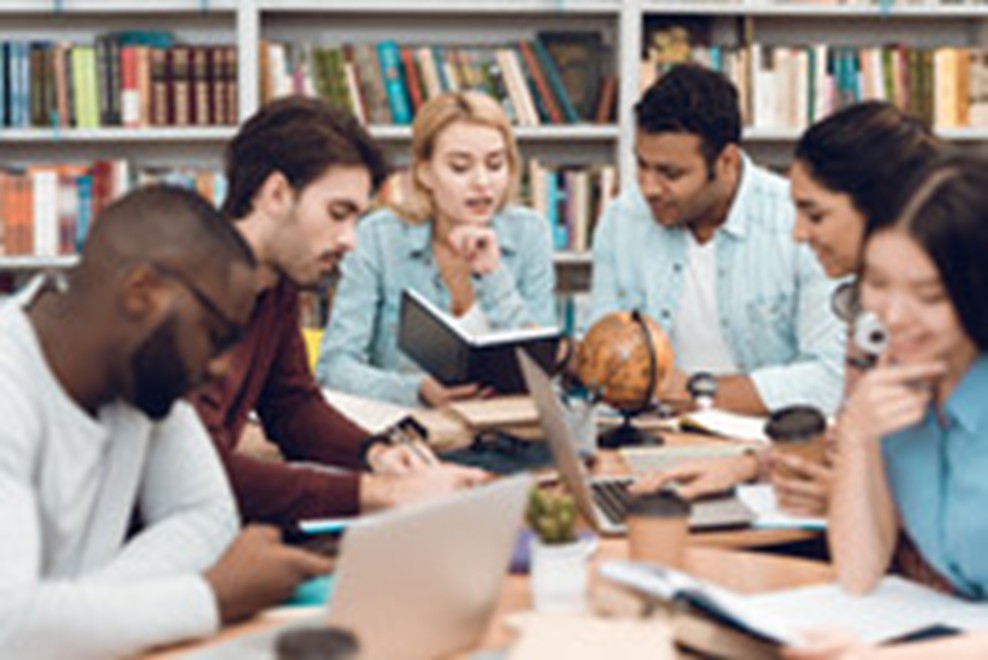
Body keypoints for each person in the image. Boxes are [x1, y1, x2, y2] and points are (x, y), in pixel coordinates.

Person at [0, 186, 333, 658]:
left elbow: (205, 514)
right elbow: (9, 628)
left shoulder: (137, 373)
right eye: (216, 337)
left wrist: (73, 618)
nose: (221, 368)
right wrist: (211, 597)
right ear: (142, 292)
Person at [192, 96, 487, 528]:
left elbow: (292, 407)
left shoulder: (275, 285)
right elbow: (203, 474)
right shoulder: (189, 291)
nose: (350, 240)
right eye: (338, 214)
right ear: (275, 194)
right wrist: (380, 493)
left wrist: (376, 453)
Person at [632, 101, 940, 515]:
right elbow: (852, 436)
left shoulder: (954, 333)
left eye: (815, 214)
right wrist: (746, 467)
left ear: (885, 211)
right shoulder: (866, 317)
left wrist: (862, 505)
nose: (797, 234)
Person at [785, 151, 988, 657]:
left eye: (929, 295)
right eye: (878, 284)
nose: (894, 316)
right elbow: (858, 573)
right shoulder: (897, 378)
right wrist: (858, 435)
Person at [590, 64, 844, 416]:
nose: (648, 187)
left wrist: (700, 392)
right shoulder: (622, 220)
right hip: (655, 440)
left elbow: (832, 378)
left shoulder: (800, 224)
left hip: (766, 446)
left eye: (670, 173)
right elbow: (602, 359)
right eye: (642, 165)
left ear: (726, 162)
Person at [316, 90, 556, 407]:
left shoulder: (529, 233)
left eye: (495, 165)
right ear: (425, 172)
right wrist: (416, 390)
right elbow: (333, 368)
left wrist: (493, 276)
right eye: (460, 167)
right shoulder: (377, 237)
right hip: (411, 433)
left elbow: (542, 370)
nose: (482, 182)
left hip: (507, 434)